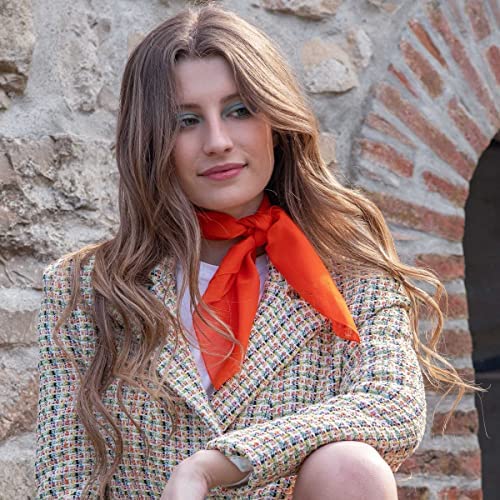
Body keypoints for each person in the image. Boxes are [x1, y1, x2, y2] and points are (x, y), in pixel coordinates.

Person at [35, 4, 478, 499]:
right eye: (185, 120)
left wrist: (216, 465)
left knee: (350, 466)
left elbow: (392, 403)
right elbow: (63, 480)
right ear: (150, 140)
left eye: (239, 110)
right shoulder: (83, 288)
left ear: (276, 121)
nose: (217, 141)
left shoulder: (350, 270)